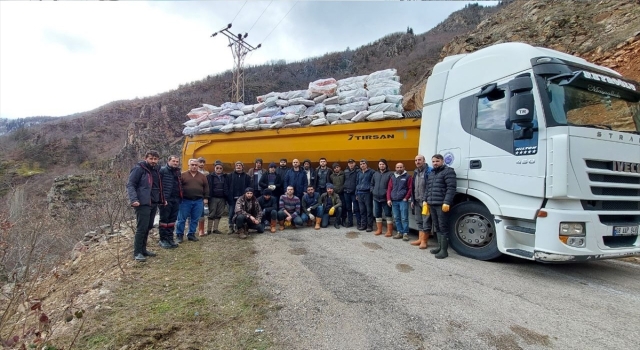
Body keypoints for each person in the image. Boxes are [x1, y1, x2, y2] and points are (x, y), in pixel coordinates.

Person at [126, 150, 164, 262]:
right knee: (141, 228)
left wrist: (162, 199)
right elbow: (130, 185)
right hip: (142, 203)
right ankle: (137, 252)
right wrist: (134, 199)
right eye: (151, 158)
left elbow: (159, 187)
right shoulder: (139, 169)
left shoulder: (157, 170)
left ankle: (144, 250)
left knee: (148, 226)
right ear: (146, 158)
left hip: (153, 202)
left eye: (155, 159)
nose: (153, 161)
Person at [425, 154, 457, 259]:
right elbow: (428, 188)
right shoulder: (432, 173)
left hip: (442, 204)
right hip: (432, 203)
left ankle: (444, 251)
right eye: (433, 161)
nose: (435, 163)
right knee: (437, 226)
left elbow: (451, 188)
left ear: (442, 161)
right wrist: (426, 200)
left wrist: (447, 202)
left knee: (443, 226)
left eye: (437, 161)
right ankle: (439, 247)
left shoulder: (448, 171)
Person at [175, 158, 209, 243]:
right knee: (181, 219)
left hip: (198, 201)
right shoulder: (182, 175)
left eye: (196, 165)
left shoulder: (202, 177)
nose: (194, 166)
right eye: (192, 165)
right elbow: (178, 187)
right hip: (185, 201)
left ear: (198, 166)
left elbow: (206, 187)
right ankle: (179, 235)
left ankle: (191, 234)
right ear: (188, 165)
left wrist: (206, 198)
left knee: (195, 219)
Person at [158, 155, 182, 249]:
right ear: (168, 161)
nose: (175, 163)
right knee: (164, 220)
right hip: (166, 200)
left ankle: (170, 239)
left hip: (176, 199)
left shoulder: (178, 172)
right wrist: (162, 199)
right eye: (173, 161)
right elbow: (159, 186)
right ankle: (163, 240)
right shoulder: (162, 170)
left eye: (177, 161)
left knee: (172, 220)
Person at [410, 154, 433, 248]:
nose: (417, 162)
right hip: (416, 200)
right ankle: (420, 239)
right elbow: (413, 187)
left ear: (424, 160)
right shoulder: (416, 172)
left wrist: (426, 200)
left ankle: (424, 241)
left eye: (419, 160)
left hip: (425, 202)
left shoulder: (429, 171)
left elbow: (430, 187)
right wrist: (412, 199)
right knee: (419, 220)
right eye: (416, 160)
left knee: (426, 221)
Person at [387, 163, 413, 241]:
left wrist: (406, 198)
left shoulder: (408, 177)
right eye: (397, 167)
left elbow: (410, 188)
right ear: (395, 168)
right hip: (394, 200)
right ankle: (399, 232)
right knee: (396, 218)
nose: (399, 168)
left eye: (401, 167)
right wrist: (388, 199)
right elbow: (389, 189)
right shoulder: (393, 177)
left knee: (404, 218)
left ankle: (405, 233)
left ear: (404, 168)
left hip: (403, 200)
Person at [226, 161, 250, 233]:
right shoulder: (230, 176)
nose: (238, 166)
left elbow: (249, 188)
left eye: (240, 165)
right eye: (237, 165)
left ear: (242, 167)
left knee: (241, 214)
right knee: (231, 213)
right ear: (235, 167)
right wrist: (228, 196)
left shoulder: (247, 177)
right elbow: (226, 187)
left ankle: (239, 227)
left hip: (243, 199)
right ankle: (231, 227)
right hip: (232, 199)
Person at [371, 159, 393, 236]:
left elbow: (391, 186)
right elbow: (372, 184)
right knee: (377, 214)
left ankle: (389, 231)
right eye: (380, 164)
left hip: (385, 198)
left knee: (388, 214)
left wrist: (387, 194)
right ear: (378, 165)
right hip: (376, 198)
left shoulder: (390, 174)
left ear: (386, 165)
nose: (381, 166)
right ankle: (379, 230)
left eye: (383, 164)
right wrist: (373, 191)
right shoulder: (375, 174)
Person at [206, 160, 227, 234]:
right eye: (217, 168)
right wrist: (206, 197)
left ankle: (215, 229)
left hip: (222, 198)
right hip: (213, 198)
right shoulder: (209, 176)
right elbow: (206, 187)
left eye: (220, 168)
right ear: (214, 168)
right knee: (212, 213)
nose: (219, 169)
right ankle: (208, 229)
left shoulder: (225, 177)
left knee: (219, 213)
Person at [355, 159, 375, 232]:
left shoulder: (371, 172)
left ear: (366, 164)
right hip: (360, 193)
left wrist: (371, 191)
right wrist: (356, 193)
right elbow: (357, 183)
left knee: (369, 210)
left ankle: (369, 226)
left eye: (363, 164)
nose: (362, 165)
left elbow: (373, 182)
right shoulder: (359, 173)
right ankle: (363, 225)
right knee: (362, 210)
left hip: (367, 193)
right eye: (361, 164)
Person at [343, 158, 360, 228]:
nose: (351, 164)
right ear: (348, 164)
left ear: (355, 163)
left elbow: (359, 181)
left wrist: (357, 192)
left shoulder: (358, 171)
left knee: (356, 208)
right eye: (350, 163)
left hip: (354, 192)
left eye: (352, 163)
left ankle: (359, 223)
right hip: (346, 192)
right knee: (348, 208)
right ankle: (350, 222)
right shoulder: (345, 171)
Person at [329, 163, 345, 227]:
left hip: (343, 193)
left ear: (340, 168)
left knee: (344, 207)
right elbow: (331, 184)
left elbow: (345, 182)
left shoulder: (343, 174)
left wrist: (342, 188)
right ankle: (337, 221)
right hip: (335, 194)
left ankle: (343, 220)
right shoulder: (331, 176)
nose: (336, 169)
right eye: (335, 168)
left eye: (337, 167)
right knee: (338, 207)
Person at [196, 157, 209, 236]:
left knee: (201, 213)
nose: (201, 164)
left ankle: (201, 230)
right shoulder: (190, 172)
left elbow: (207, 186)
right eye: (200, 162)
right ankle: (192, 230)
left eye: (203, 162)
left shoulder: (206, 173)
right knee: (191, 214)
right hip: (192, 195)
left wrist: (206, 197)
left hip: (201, 196)